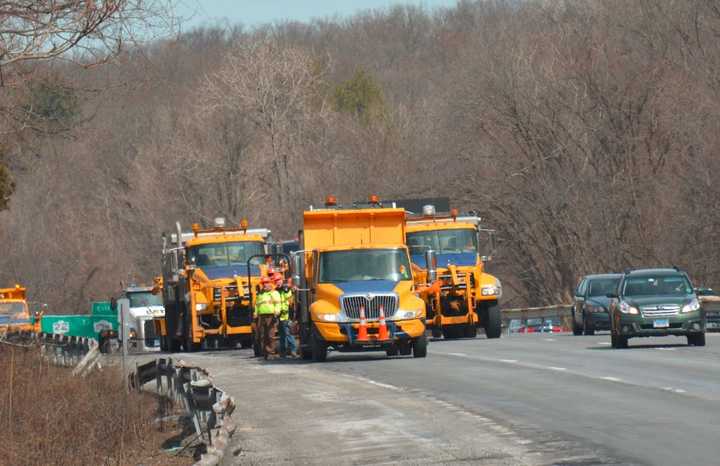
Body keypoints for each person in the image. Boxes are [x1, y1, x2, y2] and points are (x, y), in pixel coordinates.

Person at [254, 276, 281, 359]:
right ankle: (265, 353)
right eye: (263, 283)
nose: (264, 285)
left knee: (270, 335)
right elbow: (257, 305)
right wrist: (255, 313)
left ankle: (271, 353)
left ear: (270, 283)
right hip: (261, 316)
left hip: (271, 316)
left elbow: (278, 304)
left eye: (266, 283)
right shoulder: (260, 294)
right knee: (262, 335)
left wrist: (277, 311)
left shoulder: (274, 293)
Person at [276, 275, 297, 358]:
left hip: (286, 315)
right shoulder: (277, 290)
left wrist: (290, 289)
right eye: (276, 281)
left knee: (288, 334)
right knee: (282, 335)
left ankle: (293, 351)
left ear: (282, 280)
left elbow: (287, 296)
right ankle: (283, 352)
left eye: (278, 280)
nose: (277, 282)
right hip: (279, 316)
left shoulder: (286, 289)